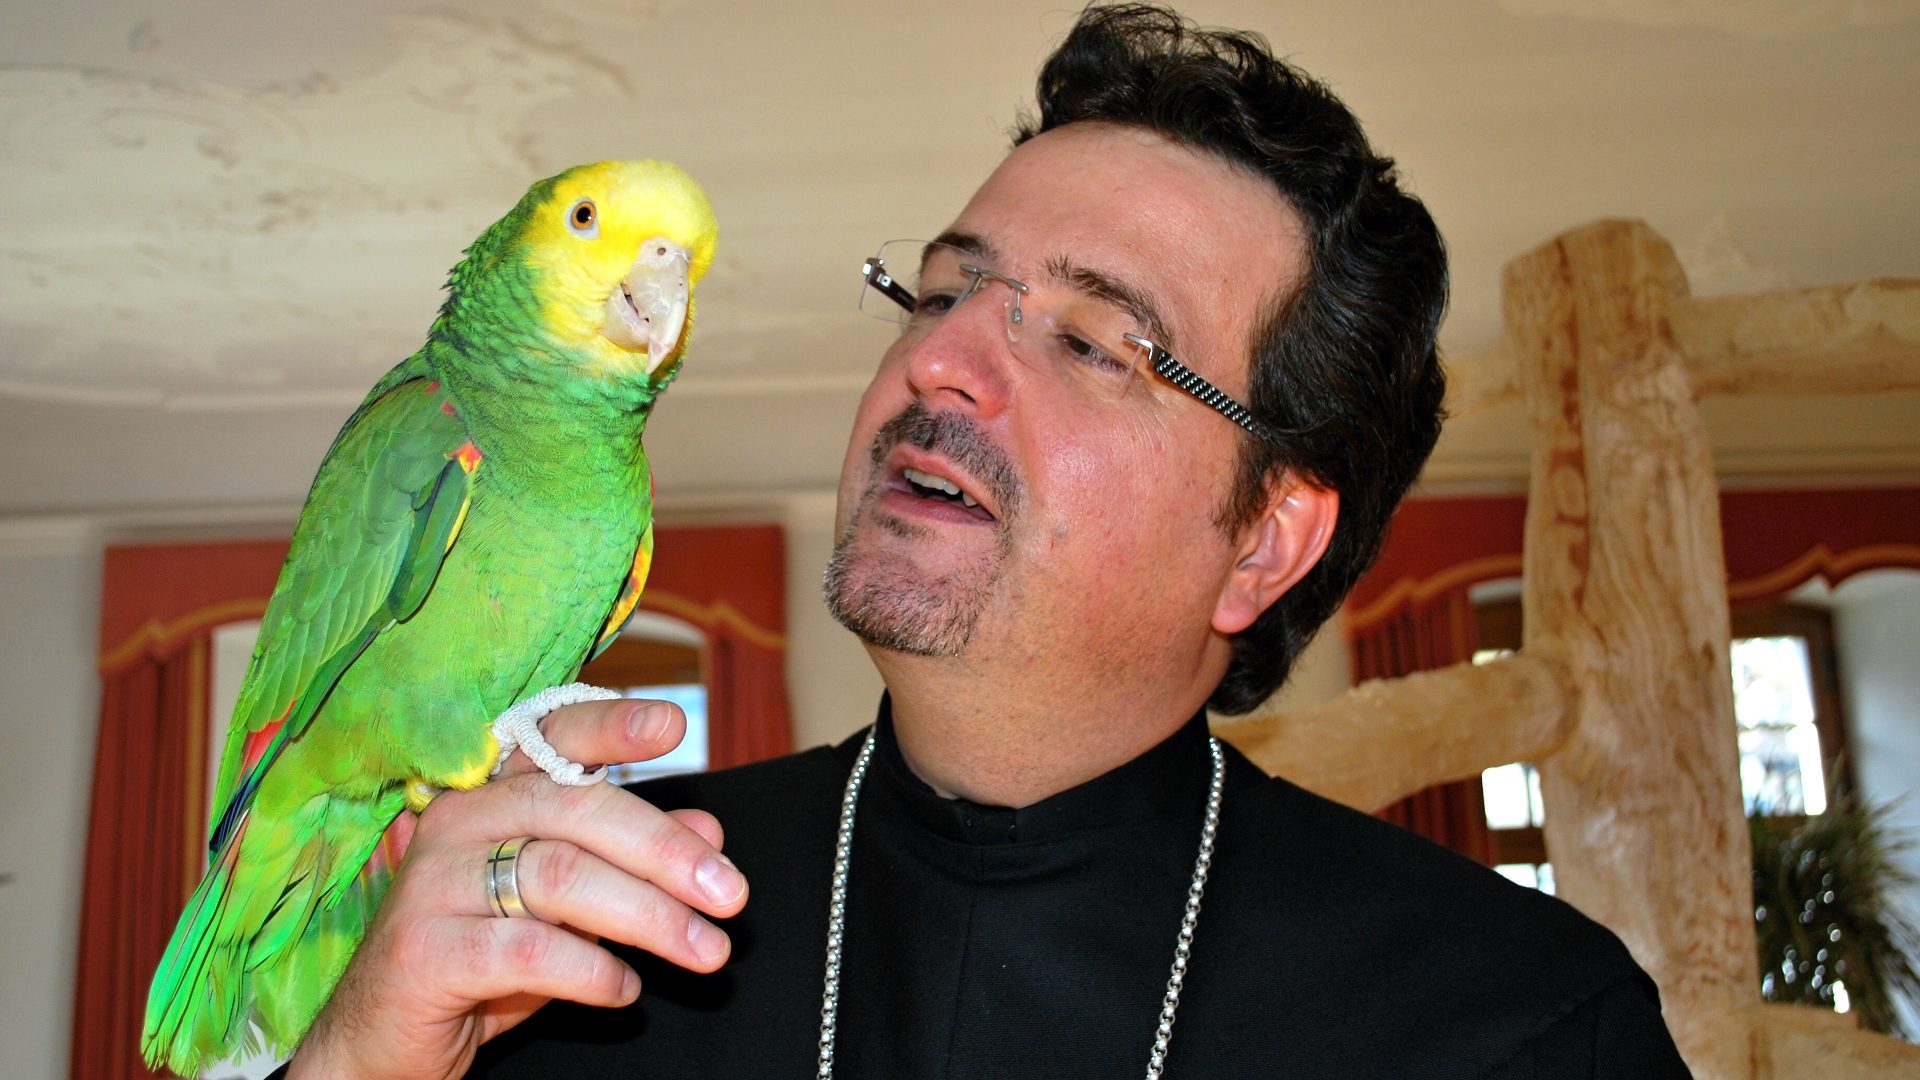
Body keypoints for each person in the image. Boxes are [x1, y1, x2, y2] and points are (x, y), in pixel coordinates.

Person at [284, 5, 1690, 1077]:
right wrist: (351, 1058)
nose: (944, 358)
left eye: (1089, 340)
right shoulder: (566, 925)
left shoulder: (1520, 1025)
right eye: (945, 290)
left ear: (1266, 541)